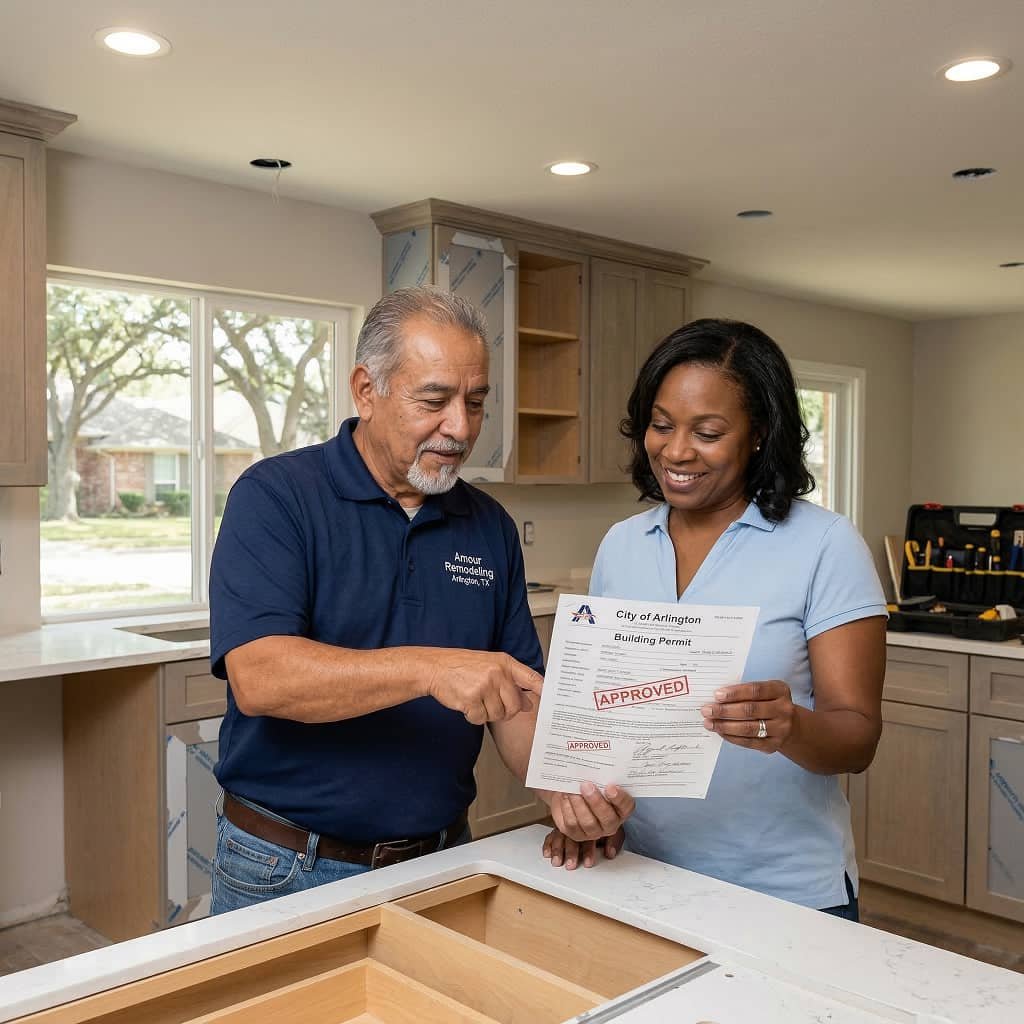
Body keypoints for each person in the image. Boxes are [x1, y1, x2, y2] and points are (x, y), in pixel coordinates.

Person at [208, 286, 630, 914]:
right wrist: (433, 669)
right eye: (434, 400)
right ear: (366, 389)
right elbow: (262, 678)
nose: (460, 428)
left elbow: (512, 698)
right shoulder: (275, 496)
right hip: (285, 865)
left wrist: (567, 789)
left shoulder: (487, 525)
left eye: (476, 402)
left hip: (442, 857)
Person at [543, 318, 887, 921]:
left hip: (783, 893)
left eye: (707, 432)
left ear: (758, 434)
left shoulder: (825, 545)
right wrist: (586, 812)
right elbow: (602, 720)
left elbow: (857, 739)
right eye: (661, 425)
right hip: (637, 873)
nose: (676, 451)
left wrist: (790, 726)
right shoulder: (622, 545)